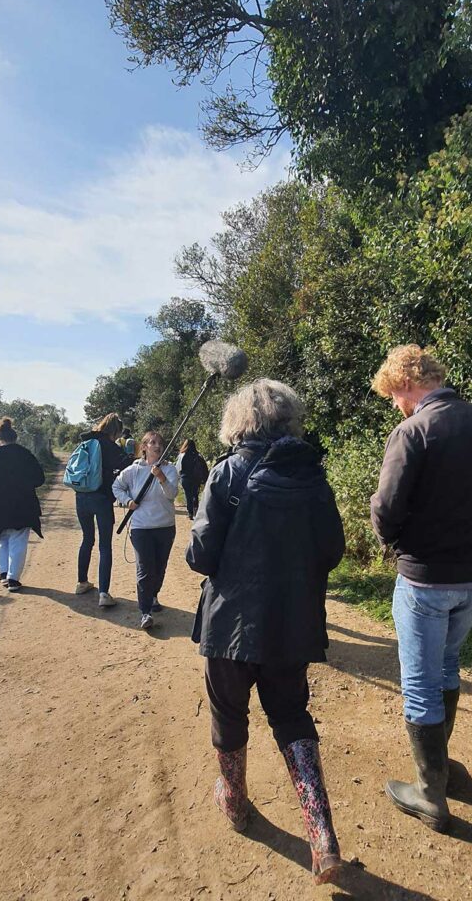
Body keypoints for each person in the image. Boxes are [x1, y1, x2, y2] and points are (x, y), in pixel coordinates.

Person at [185, 379, 345, 885]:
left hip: (230, 625)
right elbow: (332, 551)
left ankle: (233, 800)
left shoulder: (226, 473)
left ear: (239, 421)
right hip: (290, 623)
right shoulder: (313, 477)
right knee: (292, 715)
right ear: (287, 419)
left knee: (229, 713)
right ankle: (321, 833)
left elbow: (201, 556)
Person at [370, 345, 472, 833]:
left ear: (406, 385)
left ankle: (430, 792)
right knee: (448, 664)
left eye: (395, 395)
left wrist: (397, 541)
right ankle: (441, 769)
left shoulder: (412, 431)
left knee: (419, 681)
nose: (396, 404)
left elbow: (386, 511)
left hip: (426, 579)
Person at [112, 431, 179, 629]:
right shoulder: (133, 470)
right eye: (152, 442)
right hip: (141, 527)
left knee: (159, 567)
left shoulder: (170, 469)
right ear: (143, 447)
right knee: (144, 569)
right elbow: (117, 486)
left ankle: (153, 595)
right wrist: (127, 501)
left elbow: (172, 494)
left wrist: (161, 478)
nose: (157, 446)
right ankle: (145, 612)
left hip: (165, 526)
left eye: (160, 442)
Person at [0, 417, 45, 593]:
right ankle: (13, 578)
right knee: (18, 539)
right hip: (22, 504)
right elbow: (39, 479)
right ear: (15, 437)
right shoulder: (26, 455)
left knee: (2, 537)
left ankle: (3, 572)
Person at [74, 413, 132, 608]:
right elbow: (126, 465)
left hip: (81, 496)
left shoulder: (85, 442)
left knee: (87, 539)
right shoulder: (109, 446)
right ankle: (104, 593)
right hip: (102, 498)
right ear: (115, 430)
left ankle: (82, 582)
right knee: (104, 546)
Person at [175, 438, 208, 519]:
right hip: (196, 478)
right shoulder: (197, 455)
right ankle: (196, 512)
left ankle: (190, 512)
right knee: (195, 495)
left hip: (185, 478)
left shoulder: (182, 455)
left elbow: (178, 468)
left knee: (188, 495)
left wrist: (177, 478)